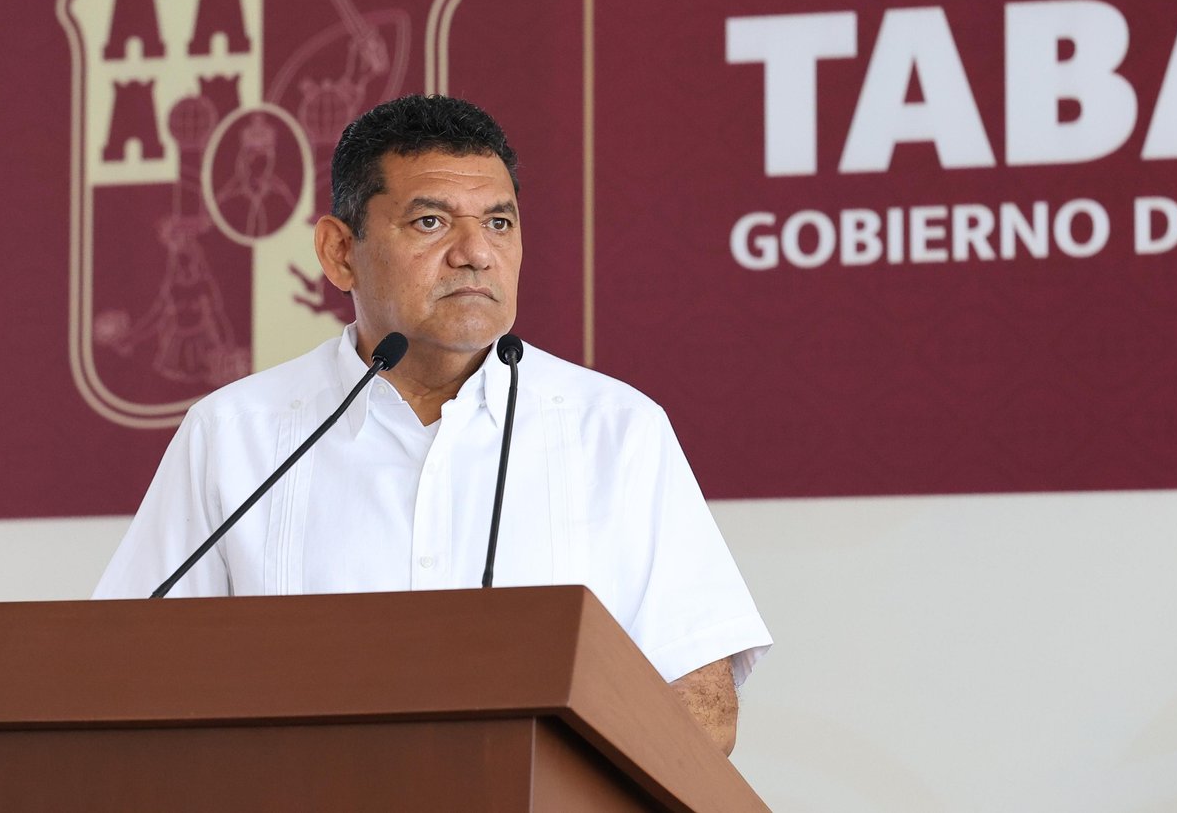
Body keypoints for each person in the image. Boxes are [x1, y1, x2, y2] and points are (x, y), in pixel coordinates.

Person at [95, 94, 771, 753]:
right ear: (338, 252)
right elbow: (124, 677)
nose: (476, 252)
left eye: (499, 223)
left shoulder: (616, 432)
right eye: (430, 222)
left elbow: (703, 713)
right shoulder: (233, 435)